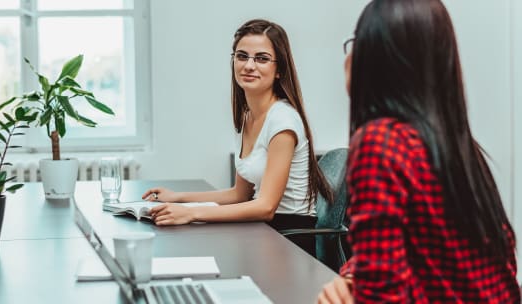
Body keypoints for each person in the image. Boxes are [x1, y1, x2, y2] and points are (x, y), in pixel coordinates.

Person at [317, 0, 520, 303]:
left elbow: (380, 296)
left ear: (371, 56)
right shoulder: (458, 148)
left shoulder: (380, 144)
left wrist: (355, 287)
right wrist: (352, 278)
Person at [142, 19, 333, 255]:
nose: (249, 65)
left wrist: (191, 213)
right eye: (242, 56)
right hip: (263, 230)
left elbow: (266, 207)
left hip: (288, 239)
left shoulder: (283, 122)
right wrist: (179, 198)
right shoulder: (247, 117)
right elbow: (239, 194)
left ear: (279, 69)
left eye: (262, 58)